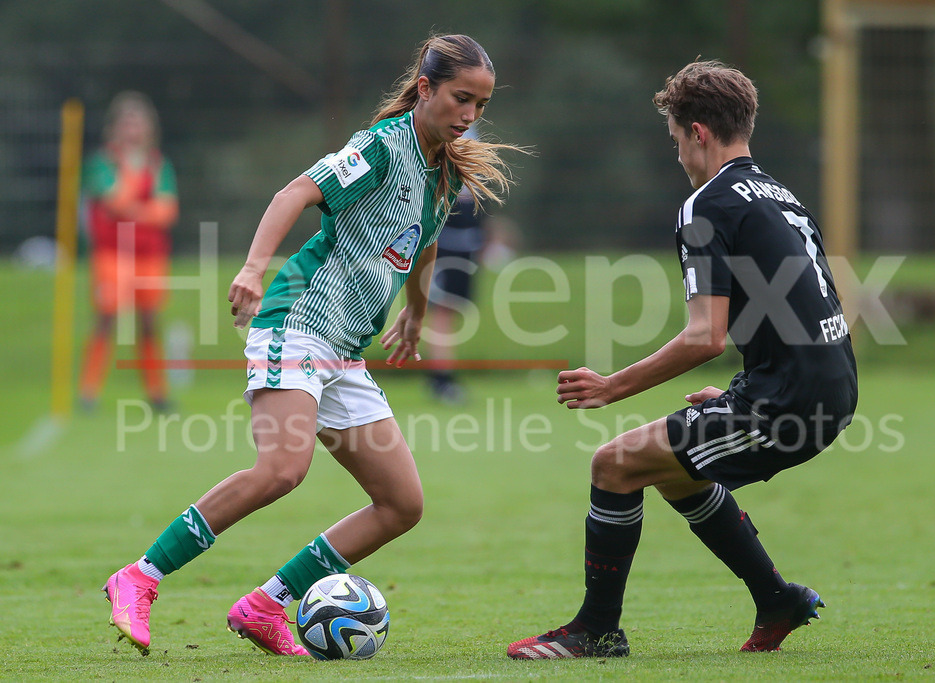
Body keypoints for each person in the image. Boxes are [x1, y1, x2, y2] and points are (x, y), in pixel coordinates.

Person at [103, 34, 521, 657]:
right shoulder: (383, 144)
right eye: (462, 98)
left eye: (481, 105)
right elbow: (294, 193)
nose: (470, 115)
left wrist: (414, 313)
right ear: (427, 88)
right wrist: (251, 268)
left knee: (401, 503)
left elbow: (423, 237)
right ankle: (140, 577)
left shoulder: (442, 170)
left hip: (344, 348)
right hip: (297, 319)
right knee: (281, 469)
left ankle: (267, 603)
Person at [507, 60, 857, 659]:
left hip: (790, 398)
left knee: (613, 464)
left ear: (697, 132)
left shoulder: (707, 205)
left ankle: (596, 631)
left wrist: (612, 387)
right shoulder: (782, 197)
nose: (678, 157)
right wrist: (746, 390)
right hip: (828, 383)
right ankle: (777, 599)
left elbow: (705, 337)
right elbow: (806, 308)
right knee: (672, 470)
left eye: (675, 141)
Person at [79, 91, 179, 412]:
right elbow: (113, 198)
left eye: (138, 122)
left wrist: (131, 210)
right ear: (115, 127)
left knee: (149, 321)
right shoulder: (101, 163)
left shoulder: (160, 164)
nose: (132, 129)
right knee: (106, 317)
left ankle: (157, 393)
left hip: (149, 255)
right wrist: (140, 205)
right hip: (112, 254)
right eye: (126, 122)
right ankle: (88, 392)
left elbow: (166, 212)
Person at [424, 178, 487, 404]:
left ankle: (443, 377)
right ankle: (441, 380)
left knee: (451, 310)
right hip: (444, 244)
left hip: (467, 244)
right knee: (442, 311)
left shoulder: (475, 141)